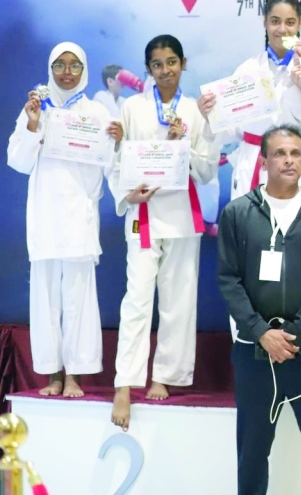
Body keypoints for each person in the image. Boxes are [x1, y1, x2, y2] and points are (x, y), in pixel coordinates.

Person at [217, 125, 301, 495]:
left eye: (295, 153)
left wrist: (296, 336)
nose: (288, 160)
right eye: (279, 153)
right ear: (264, 160)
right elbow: (228, 280)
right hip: (255, 352)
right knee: (252, 456)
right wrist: (262, 333)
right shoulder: (238, 213)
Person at [109, 34, 220, 431]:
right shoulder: (131, 107)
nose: (165, 70)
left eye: (172, 62)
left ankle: (165, 376)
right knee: (137, 300)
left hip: (181, 213)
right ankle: (124, 383)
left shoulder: (195, 110)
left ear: (183, 63)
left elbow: (207, 169)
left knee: (178, 300)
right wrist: (127, 193)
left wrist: (182, 145)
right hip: (143, 212)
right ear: (148, 69)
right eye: (157, 64)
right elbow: (117, 160)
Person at [7, 42, 122, 398]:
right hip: (44, 216)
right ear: (50, 68)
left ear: (84, 70)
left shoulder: (97, 112)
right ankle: (52, 374)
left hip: (79, 217)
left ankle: (74, 375)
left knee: (78, 299)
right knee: (45, 300)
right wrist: (32, 124)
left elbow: (110, 164)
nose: (67, 72)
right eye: (60, 65)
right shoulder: (36, 107)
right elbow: (18, 161)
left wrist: (118, 142)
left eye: (74, 65)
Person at [201, 0, 301, 204]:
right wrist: (210, 115)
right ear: (265, 23)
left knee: (296, 223)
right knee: (251, 224)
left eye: (290, 22)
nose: (282, 29)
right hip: (254, 163)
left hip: (295, 164)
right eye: (275, 21)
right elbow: (231, 130)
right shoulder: (248, 69)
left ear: (300, 24)